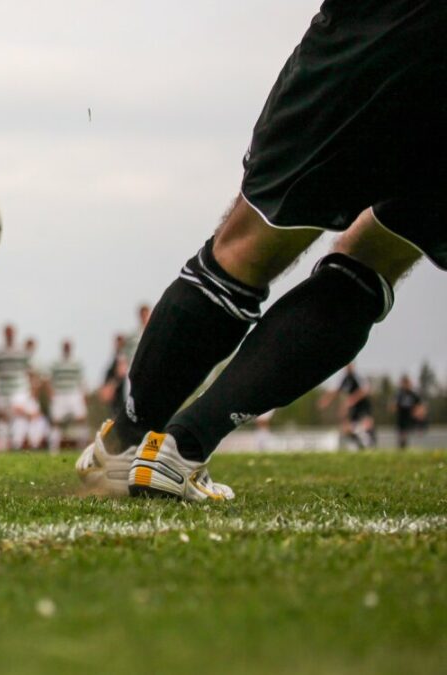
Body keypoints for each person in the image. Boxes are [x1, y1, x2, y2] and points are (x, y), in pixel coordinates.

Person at [78, 1, 446, 501]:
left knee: (247, 245)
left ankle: (127, 445)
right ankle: (180, 450)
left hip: (384, 23)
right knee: (379, 255)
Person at [0, 324, 33, 450]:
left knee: (18, 412)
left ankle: (17, 443)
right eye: (7, 333)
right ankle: (3, 445)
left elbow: (29, 370)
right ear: (4, 334)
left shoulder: (21, 352)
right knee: (2, 416)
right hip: (2, 389)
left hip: (19, 389)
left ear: (14, 334)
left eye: (11, 333)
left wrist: (32, 387)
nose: (9, 335)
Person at [319, 363, 376, 450]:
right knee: (347, 429)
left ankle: (370, 446)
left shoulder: (358, 377)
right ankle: (359, 446)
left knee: (366, 425)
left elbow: (365, 390)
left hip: (363, 406)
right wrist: (327, 400)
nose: (348, 368)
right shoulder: (345, 379)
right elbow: (336, 390)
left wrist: (351, 400)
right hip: (354, 408)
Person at [48, 340, 89, 450]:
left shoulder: (76, 363)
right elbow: (50, 380)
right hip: (60, 394)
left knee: (81, 419)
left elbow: (82, 381)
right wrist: (51, 394)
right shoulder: (56, 364)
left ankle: (82, 447)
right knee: (56, 421)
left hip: (74, 393)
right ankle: (53, 449)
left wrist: (83, 395)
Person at [391, 374, 426, 449]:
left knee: (410, 434)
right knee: (402, 437)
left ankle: (420, 429)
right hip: (402, 418)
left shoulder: (413, 394)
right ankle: (403, 448)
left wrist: (417, 412)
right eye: (404, 383)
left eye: (407, 383)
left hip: (411, 418)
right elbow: (393, 407)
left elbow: (421, 406)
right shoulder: (399, 394)